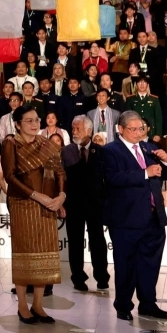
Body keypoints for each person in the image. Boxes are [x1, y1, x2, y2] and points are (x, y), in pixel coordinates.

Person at [101, 111, 167, 321]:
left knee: (150, 264)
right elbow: (111, 178)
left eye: (141, 128)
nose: (138, 133)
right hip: (126, 219)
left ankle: (148, 304)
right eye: (133, 129)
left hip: (153, 218)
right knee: (126, 265)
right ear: (121, 130)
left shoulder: (149, 147)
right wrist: (145, 172)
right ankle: (123, 305)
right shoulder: (110, 151)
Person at [0, 106, 66, 324]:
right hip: (23, 204)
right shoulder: (11, 143)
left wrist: (62, 196)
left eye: (36, 119)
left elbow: (59, 172)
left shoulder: (46, 144)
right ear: (17, 124)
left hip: (48, 205)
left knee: (45, 253)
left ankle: (38, 305)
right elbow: (10, 176)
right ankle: (22, 305)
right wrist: (37, 195)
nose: (34, 124)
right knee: (25, 253)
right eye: (28, 120)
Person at [62, 116, 109, 292]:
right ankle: (78, 278)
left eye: (78, 129)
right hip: (73, 204)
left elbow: (106, 179)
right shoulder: (66, 151)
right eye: (73, 128)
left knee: (97, 241)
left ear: (89, 131)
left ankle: (102, 276)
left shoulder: (101, 151)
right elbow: (62, 179)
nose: (74, 132)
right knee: (74, 242)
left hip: (95, 204)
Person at [125, 76, 162, 144]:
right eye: (139, 82)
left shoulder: (154, 99)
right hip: (134, 132)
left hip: (150, 133)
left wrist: (158, 134)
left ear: (147, 85)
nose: (142, 85)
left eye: (144, 82)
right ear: (136, 85)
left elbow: (158, 118)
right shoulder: (130, 99)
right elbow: (127, 118)